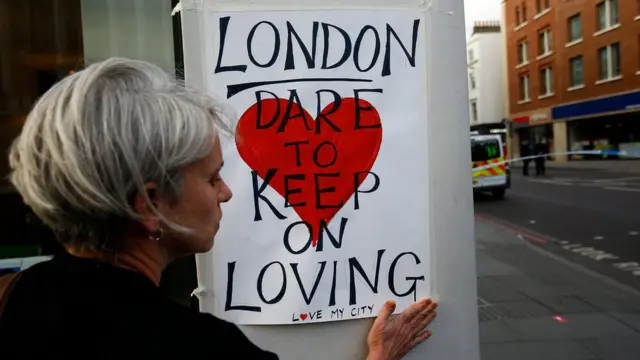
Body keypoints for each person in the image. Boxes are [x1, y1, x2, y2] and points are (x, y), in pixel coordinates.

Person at [0, 58, 438, 359]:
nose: (226, 193)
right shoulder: (201, 349)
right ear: (150, 203)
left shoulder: (14, 297)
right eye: (211, 177)